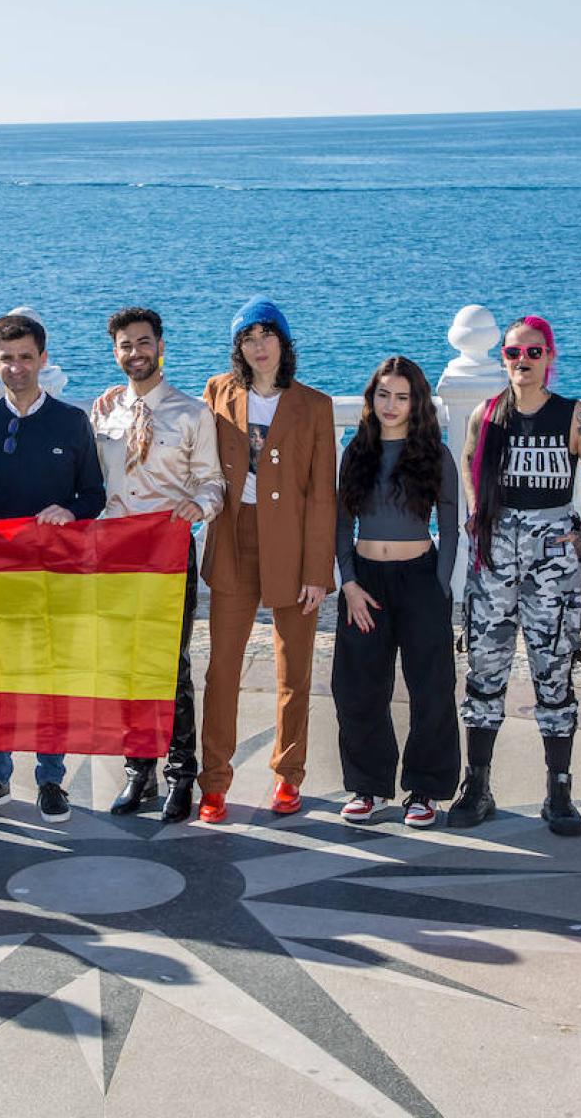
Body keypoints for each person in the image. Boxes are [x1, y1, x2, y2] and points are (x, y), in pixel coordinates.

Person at [452, 317, 581, 835]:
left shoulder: (574, 415)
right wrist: (478, 515)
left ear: (549, 357)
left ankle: (557, 789)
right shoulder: (486, 414)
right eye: (515, 353)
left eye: (534, 353)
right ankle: (477, 784)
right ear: (502, 358)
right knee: (484, 672)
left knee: (554, 674)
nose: (524, 362)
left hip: (552, 563)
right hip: (495, 562)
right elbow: (470, 461)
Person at [0, 314, 106, 821]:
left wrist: (71, 510)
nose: (16, 367)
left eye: (25, 357)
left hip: (56, 575)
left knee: (49, 681)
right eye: (7, 359)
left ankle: (51, 781)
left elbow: (95, 494)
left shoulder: (71, 421)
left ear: (43, 359)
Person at [198, 297, 337, 823]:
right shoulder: (218, 392)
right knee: (221, 671)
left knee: (293, 671)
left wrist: (317, 573)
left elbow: (324, 495)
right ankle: (214, 782)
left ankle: (287, 775)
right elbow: (187, 444)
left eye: (267, 334)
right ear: (238, 346)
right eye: (248, 337)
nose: (258, 345)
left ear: (283, 342)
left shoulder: (314, 406)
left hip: (294, 550)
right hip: (233, 542)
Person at [91, 307, 225, 822]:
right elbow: (92, 483)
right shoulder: (103, 414)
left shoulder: (191, 414)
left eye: (143, 343)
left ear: (160, 345)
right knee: (127, 665)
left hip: (168, 551)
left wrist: (201, 505)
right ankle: (137, 772)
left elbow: (213, 480)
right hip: (118, 554)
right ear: (115, 352)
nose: (135, 353)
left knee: (171, 665)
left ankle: (179, 773)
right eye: (125, 345)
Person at [331, 356, 461, 828]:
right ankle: (368, 787)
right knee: (357, 688)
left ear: (416, 403)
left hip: (420, 580)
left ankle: (425, 790)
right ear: (372, 398)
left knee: (431, 689)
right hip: (365, 583)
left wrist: (440, 586)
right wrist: (349, 583)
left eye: (402, 397)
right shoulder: (356, 452)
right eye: (383, 394)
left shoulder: (434, 454)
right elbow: (342, 524)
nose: (391, 404)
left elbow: (450, 526)